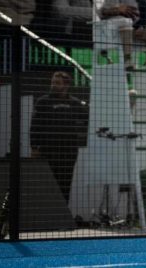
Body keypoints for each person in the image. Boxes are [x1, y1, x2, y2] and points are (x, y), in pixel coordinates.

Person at [30, 71, 88, 203]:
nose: (54, 85)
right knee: (47, 184)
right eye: (53, 82)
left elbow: (88, 121)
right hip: (48, 150)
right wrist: (34, 147)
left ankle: (62, 217)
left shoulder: (75, 103)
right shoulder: (43, 102)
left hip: (69, 151)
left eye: (57, 83)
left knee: (65, 184)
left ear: (66, 85)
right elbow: (35, 126)